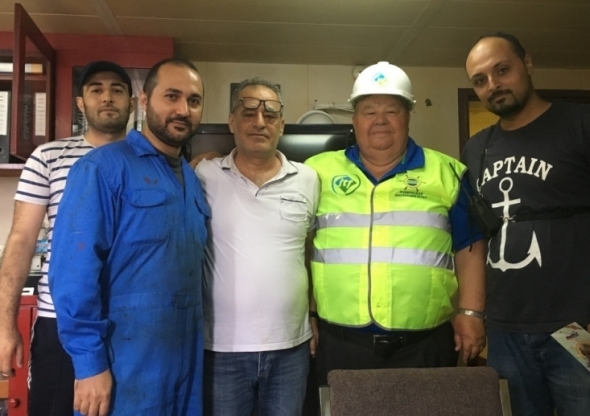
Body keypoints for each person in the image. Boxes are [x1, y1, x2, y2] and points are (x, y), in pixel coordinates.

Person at [304, 61, 487, 385]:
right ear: (355, 119)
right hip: (339, 343)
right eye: (369, 111)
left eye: (392, 111)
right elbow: (295, 245)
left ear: (408, 117)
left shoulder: (447, 173)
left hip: (425, 344)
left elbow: (469, 247)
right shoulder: (316, 172)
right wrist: (308, 312)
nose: (380, 120)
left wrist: (470, 312)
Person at [49, 57, 209, 416]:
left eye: (194, 100)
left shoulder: (191, 179)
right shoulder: (101, 168)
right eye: (172, 96)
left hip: (185, 361)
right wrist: (89, 364)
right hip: (124, 364)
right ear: (145, 100)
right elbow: (73, 274)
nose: (183, 109)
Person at [462, 32, 590, 416]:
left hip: (576, 325)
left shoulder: (579, 124)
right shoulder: (476, 148)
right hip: (506, 331)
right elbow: (475, 236)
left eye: (502, 70)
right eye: (480, 80)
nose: (493, 85)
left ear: (528, 63)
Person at [0, 61, 134, 416]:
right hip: (60, 320)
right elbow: (21, 240)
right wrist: (4, 325)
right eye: (96, 90)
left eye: (117, 90)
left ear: (133, 103)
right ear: (80, 103)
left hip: (130, 321)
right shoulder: (48, 158)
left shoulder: (148, 160)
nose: (107, 97)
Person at [196, 77, 319, 416]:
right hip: (221, 350)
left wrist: (312, 314)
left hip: (291, 349)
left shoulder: (308, 179)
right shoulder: (204, 175)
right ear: (231, 121)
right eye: (248, 113)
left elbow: (309, 253)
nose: (260, 122)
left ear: (282, 124)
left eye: (270, 114)